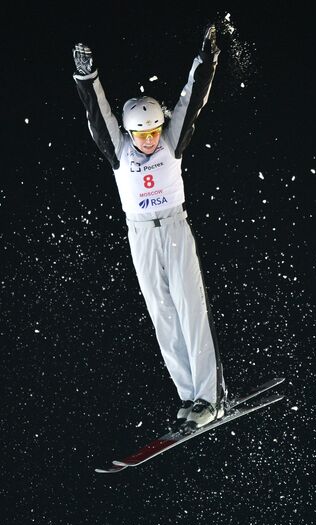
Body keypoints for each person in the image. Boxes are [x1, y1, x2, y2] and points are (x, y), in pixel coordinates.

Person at [72, 24, 226, 431]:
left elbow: (192, 100)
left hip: (174, 228)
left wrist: (206, 59)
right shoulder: (120, 151)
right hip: (140, 234)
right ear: (131, 132)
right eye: (143, 134)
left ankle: (211, 397)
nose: (150, 140)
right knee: (162, 313)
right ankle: (189, 396)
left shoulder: (171, 142)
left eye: (155, 131)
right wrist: (87, 76)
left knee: (191, 309)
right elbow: (97, 113)